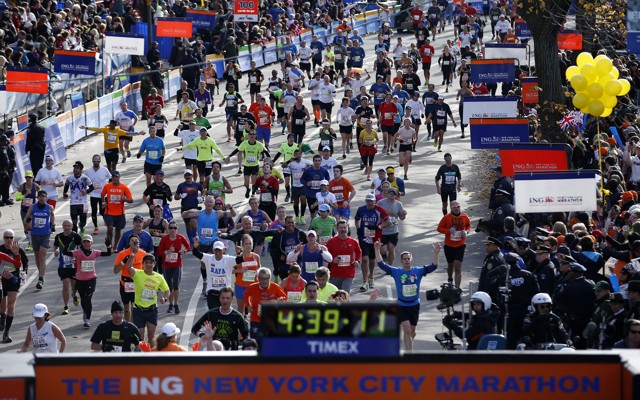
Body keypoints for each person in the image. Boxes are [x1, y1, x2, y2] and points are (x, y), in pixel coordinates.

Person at [375, 240, 440, 350]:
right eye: (404, 259)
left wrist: (436, 253)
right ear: (401, 261)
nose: (406, 260)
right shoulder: (397, 272)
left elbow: (433, 267)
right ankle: (409, 354)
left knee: (412, 332)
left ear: (411, 260)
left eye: (408, 258)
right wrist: (377, 250)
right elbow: (381, 264)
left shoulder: (418, 271)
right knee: (407, 330)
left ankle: (409, 341)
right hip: (401, 305)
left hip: (414, 305)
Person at [65, 234, 112, 328]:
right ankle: (85, 312)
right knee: (83, 299)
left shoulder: (95, 252)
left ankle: (87, 320)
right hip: (80, 280)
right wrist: (68, 243)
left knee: (88, 298)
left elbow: (108, 253)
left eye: (88, 242)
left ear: (91, 243)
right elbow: (65, 252)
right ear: (82, 243)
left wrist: (108, 246)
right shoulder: (78, 252)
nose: (86, 243)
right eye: (84, 242)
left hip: (91, 279)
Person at [123, 253, 170, 343]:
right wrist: (132, 254)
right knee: (139, 337)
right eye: (146, 263)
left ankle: (151, 356)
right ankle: (141, 356)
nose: (148, 264)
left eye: (151, 263)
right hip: (138, 310)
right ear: (143, 264)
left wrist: (165, 298)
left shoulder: (159, 277)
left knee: (151, 336)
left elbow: (167, 290)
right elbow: (128, 267)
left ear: (154, 264)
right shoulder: (137, 273)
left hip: (152, 310)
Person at [191, 286, 248, 350]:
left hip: (231, 352)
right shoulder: (211, 313)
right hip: (214, 349)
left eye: (227, 298)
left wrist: (234, 343)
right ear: (219, 298)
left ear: (232, 299)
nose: (225, 300)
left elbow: (246, 336)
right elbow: (194, 329)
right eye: (223, 298)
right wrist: (202, 335)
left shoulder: (237, 316)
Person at [355, 193, 391, 292]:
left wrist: (378, 227)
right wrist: (358, 228)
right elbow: (356, 219)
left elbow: (389, 222)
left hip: (375, 238)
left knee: (372, 260)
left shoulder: (379, 210)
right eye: (368, 201)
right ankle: (364, 281)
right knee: (365, 259)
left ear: (375, 201)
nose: (370, 202)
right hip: (363, 237)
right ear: (365, 201)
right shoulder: (361, 209)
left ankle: (371, 276)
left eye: (371, 201)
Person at [244, 268, 287, 342]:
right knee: (255, 341)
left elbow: (285, 298)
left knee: (271, 342)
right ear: (257, 278)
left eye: (266, 278)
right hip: (256, 320)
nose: (264, 281)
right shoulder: (252, 287)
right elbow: (245, 295)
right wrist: (248, 305)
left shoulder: (275, 287)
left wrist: (279, 301)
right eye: (262, 279)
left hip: (271, 320)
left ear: (270, 278)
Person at [156, 220, 190, 314]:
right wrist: (166, 252)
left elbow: (188, 247)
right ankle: (170, 305)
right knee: (169, 287)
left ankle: (176, 304)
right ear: (168, 229)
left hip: (177, 265)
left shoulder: (180, 238)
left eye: (174, 228)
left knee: (176, 285)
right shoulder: (165, 239)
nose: (172, 230)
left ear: (177, 229)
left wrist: (184, 251)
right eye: (170, 228)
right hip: (166, 265)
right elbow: (159, 252)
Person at [24, 190, 55, 290]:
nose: (42, 198)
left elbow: (52, 215)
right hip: (35, 234)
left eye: (43, 197)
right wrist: (27, 221)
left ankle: (41, 278)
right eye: (40, 197)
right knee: (37, 257)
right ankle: (41, 273)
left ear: (46, 198)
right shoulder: (33, 207)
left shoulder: (49, 207)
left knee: (42, 255)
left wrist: (52, 225)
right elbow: (26, 218)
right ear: (37, 198)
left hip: (45, 235)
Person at [437, 200, 471, 288]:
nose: (456, 209)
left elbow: (468, 225)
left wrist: (466, 232)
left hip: (460, 245)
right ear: (451, 208)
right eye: (454, 207)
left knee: (458, 267)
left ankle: (457, 288)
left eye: (458, 207)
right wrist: (449, 231)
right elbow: (439, 228)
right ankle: (450, 278)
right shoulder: (446, 217)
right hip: (449, 246)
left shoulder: (465, 216)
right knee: (450, 265)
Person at [53, 220, 82, 315]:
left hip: (74, 265)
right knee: (66, 284)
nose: (67, 227)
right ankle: (66, 306)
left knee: (74, 286)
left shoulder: (76, 236)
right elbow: (55, 246)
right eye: (65, 225)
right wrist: (56, 251)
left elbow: (81, 248)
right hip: (63, 265)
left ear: (72, 226)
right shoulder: (58, 236)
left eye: (69, 226)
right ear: (62, 226)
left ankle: (74, 294)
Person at [101, 171, 134, 250]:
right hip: (109, 212)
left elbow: (131, 200)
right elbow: (102, 194)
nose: (115, 178)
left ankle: (115, 245)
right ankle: (109, 243)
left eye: (116, 177)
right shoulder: (107, 186)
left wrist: (124, 199)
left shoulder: (124, 187)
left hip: (120, 213)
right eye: (113, 177)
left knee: (118, 230)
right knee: (110, 228)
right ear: (112, 178)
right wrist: (103, 202)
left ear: (119, 177)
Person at [0, 238, 24, 343]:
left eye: (11, 237)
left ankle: (6, 332)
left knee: (9, 305)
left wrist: (16, 254)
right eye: (7, 237)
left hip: (5, 284)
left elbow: (17, 265)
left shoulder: (1, 255)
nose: (9, 239)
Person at [377, 187, 407, 265]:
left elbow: (401, 218)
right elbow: (376, 214)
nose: (392, 195)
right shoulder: (380, 203)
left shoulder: (399, 204)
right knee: (383, 250)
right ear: (387, 194)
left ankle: (390, 267)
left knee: (391, 249)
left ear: (396, 195)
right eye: (390, 193)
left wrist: (404, 214)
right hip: (383, 230)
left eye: (394, 194)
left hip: (393, 230)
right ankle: (384, 257)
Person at [63, 161, 94, 234]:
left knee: (83, 221)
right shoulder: (69, 178)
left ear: (81, 170)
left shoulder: (85, 178)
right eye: (74, 168)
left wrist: (86, 191)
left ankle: (82, 227)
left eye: (77, 168)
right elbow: (66, 185)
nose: (75, 169)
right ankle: (75, 236)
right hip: (73, 203)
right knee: (74, 222)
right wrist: (65, 193)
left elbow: (92, 187)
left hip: (84, 203)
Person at [84, 155, 111, 235]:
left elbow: (110, 177)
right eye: (94, 161)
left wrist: (109, 187)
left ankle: (105, 220)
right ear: (92, 161)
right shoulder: (88, 171)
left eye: (98, 161)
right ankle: (96, 227)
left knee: (103, 211)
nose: (96, 163)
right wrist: (87, 189)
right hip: (93, 194)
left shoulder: (104, 170)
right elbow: (84, 180)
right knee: (94, 211)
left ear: (100, 161)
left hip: (103, 194)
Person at [16, 170, 40, 250]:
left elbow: (41, 194)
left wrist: (39, 198)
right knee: (25, 226)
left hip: (32, 209)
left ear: (33, 178)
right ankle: (30, 239)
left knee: (30, 225)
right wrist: (25, 195)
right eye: (27, 177)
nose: (28, 179)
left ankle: (31, 243)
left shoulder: (35, 186)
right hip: (24, 209)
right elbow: (17, 198)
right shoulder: (22, 187)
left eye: (30, 177)